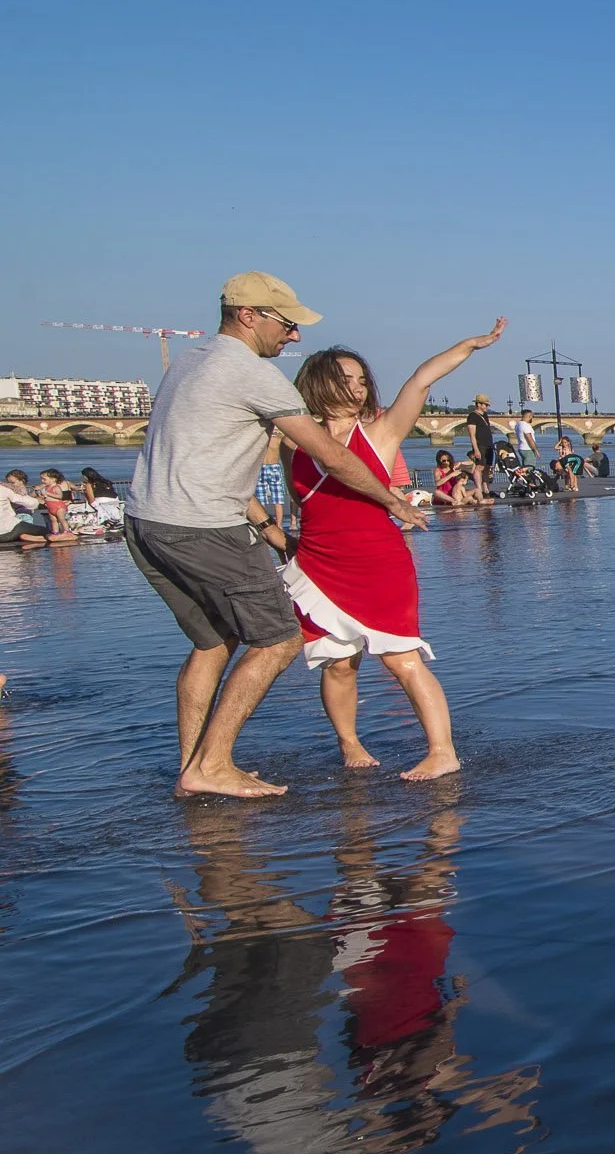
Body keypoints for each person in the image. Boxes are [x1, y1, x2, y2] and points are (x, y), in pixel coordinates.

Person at [124, 272, 430, 798]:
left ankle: (192, 766)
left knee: (213, 640)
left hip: (146, 522)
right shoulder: (252, 373)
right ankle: (211, 766)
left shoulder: (191, 361)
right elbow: (331, 455)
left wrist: (269, 529)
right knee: (279, 640)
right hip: (204, 529)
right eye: (286, 324)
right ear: (249, 315)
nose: (293, 337)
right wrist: (392, 500)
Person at [285, 320, 504, 780]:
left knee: (401, 658)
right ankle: (349, 744)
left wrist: (469, 343)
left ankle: (442, 750)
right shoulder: (294, 442)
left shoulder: (381, 433)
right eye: (347, 379)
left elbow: (421, 379)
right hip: (317, 561)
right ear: (319, 384)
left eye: (363, 379)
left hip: (377, 560)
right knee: (338, 663)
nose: (359, 387)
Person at [463, 395, 498, 495]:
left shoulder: (485, 415)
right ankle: (478, 488)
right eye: (485, 405)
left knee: (487, 467)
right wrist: (476, 449)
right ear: (478, 404)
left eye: (487, 405)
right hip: (480, 445)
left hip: (488, 445)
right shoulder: (473, 416)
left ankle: (486, 488)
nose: (487, 407)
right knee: (479, 467)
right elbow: (472, 435)